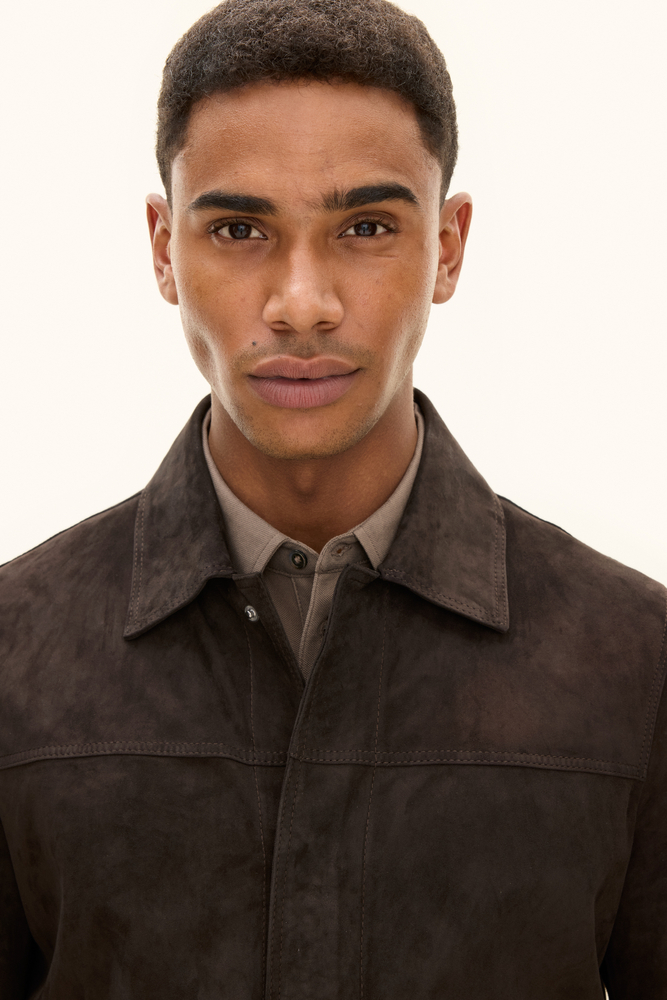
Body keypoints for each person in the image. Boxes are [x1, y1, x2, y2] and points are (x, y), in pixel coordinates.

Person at [0, 0, 664, 995]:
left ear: (446, 247)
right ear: (163, 249)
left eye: (365, 227)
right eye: (238, 228)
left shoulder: (636, 663)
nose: (301, 303)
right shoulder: (14, 656)